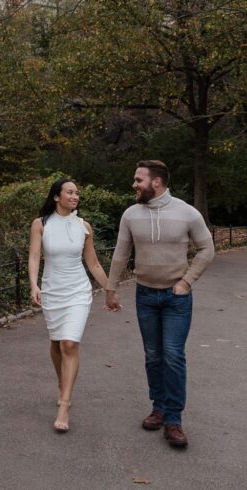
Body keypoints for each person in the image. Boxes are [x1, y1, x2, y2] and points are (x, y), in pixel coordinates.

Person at [105, 160, 214, 448]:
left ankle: (174, 420)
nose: (134, 184)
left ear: (156, 182)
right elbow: (120, 253)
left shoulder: (187, 213)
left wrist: (186, 282)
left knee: (173, 355)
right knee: (153, 355)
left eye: (138, 179)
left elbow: (207, 248)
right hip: (145, 295)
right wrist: (110, 288)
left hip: (176, 298)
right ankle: (159, 408)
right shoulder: (130, 215)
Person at [28, 178, 111, 433]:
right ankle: (63, 383)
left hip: (78, 291)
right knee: (56, 344)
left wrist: (111, 290)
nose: (75, 196)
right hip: (52, 291)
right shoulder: (41, 224)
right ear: (56, 197)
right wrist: (34, 285)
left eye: (77, 192)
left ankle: (64, 404)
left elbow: (93, 264)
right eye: (70, 192)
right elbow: (34, 256)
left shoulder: (84, 226)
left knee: (69, 344)